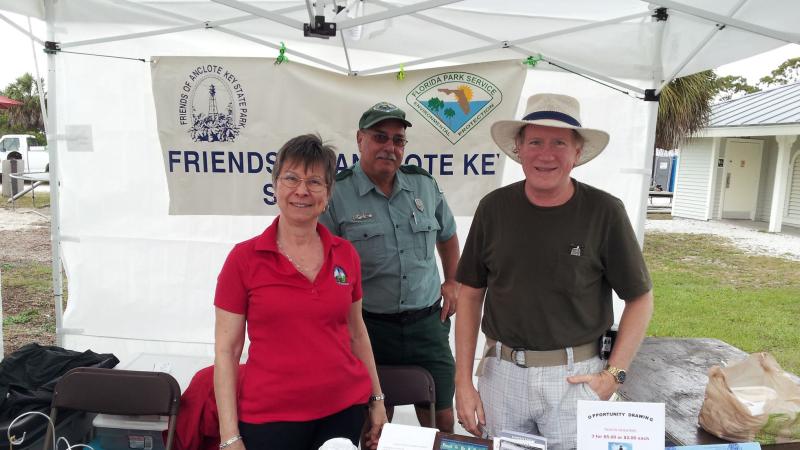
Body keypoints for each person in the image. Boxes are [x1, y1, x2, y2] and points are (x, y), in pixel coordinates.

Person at [454, 94, 654, 450]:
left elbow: (640, 299)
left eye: (559, 142)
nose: (546, 155)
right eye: (535, 142)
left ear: (577, 152)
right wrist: (463, 383)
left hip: (576, 379)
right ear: (518, 149)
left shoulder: (604, 212)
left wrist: (615, 374)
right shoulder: (493, 209)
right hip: (503, 376)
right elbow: (469, 294)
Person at [214, 134, 387, 450]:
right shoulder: (244, 259)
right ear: (275, 185)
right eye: (291, 178)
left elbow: (357, 332)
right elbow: (227, 351)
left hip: (343, 412)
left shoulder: (346, 254)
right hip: (270, 421)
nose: (302, 190)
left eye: (315, 182)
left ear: (328, 193)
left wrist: (376, 399)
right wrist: (229, 436)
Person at [320, 102, 460, 432]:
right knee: (376, 423)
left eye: (398, 140)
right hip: (369, 328)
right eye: (380, 137)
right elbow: (324, 260)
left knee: (441, 419)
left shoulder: (423, 185)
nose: (390, 147)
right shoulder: (337, 194)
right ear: (360, 139)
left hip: (428, 323)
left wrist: (453, 281)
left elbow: (449, 236)